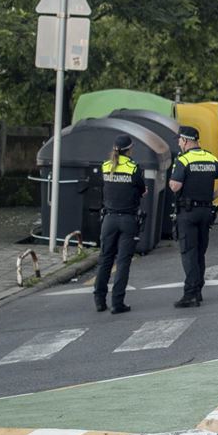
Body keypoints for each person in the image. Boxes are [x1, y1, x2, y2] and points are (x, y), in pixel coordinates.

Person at [169, 125, 218, 308]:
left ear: (186, 140)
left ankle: (190, 295)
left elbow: (175, 187)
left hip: (188, 213)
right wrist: (213, 195)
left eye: (179, 140)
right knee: (200, 253)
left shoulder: (184, 160)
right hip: (206, 212)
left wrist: (172, 178)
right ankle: (198, 291)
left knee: (188, 252)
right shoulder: (210, 158)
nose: (179, 143)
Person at [95, 134, 146, 314]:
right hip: (128, 220)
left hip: (108, 220)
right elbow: (142, 190)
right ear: (129, 149)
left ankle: (100, 300)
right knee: (123, 262)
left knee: (105, 260)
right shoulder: (134, 168)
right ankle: (117, 303)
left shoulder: (105, 166)